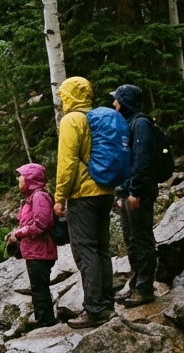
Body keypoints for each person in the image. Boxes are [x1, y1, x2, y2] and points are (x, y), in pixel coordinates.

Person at [54, 77, 118, 329]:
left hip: (83, 194)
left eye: (63, 95)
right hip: (106, 191)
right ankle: (107, 303)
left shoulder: (72, 120)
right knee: (102, 249)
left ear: (70, 95)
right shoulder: (97, 117)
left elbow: (67, 163)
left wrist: (60, 197)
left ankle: (93, 309)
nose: (61, 100)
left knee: (85, 250)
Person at [113, 84, 159, 307]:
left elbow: (141, 160)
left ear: (126, 101)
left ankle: (145, 288)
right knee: (131, 239)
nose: (114, 104)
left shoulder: (140, 123)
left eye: (117, 100)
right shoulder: (129, 122)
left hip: (139, 192)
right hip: (129, 190)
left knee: (141, 239)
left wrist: (135, 191)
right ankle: (135, 284)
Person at [6, 163, 58, 327]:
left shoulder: (39, 197)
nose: (18, 179)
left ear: (30, 178)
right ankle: (42, 318)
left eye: (21, 176)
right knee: (37, 286)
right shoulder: (32, 197)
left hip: (41, 250)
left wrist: (19, 234)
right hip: (34, 250)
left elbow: (43, 224)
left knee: (39, 287)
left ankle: (45, 320)